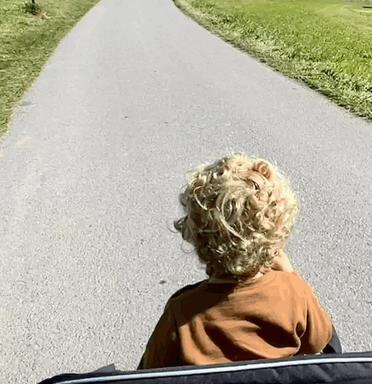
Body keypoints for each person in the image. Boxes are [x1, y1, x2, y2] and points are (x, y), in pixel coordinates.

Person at [139, 153, 337, 370]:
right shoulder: (294, 294)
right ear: (277, 236)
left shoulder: (182, 314)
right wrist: (291, 276)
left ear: (196, 235)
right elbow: (321, 342)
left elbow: (148, 378)